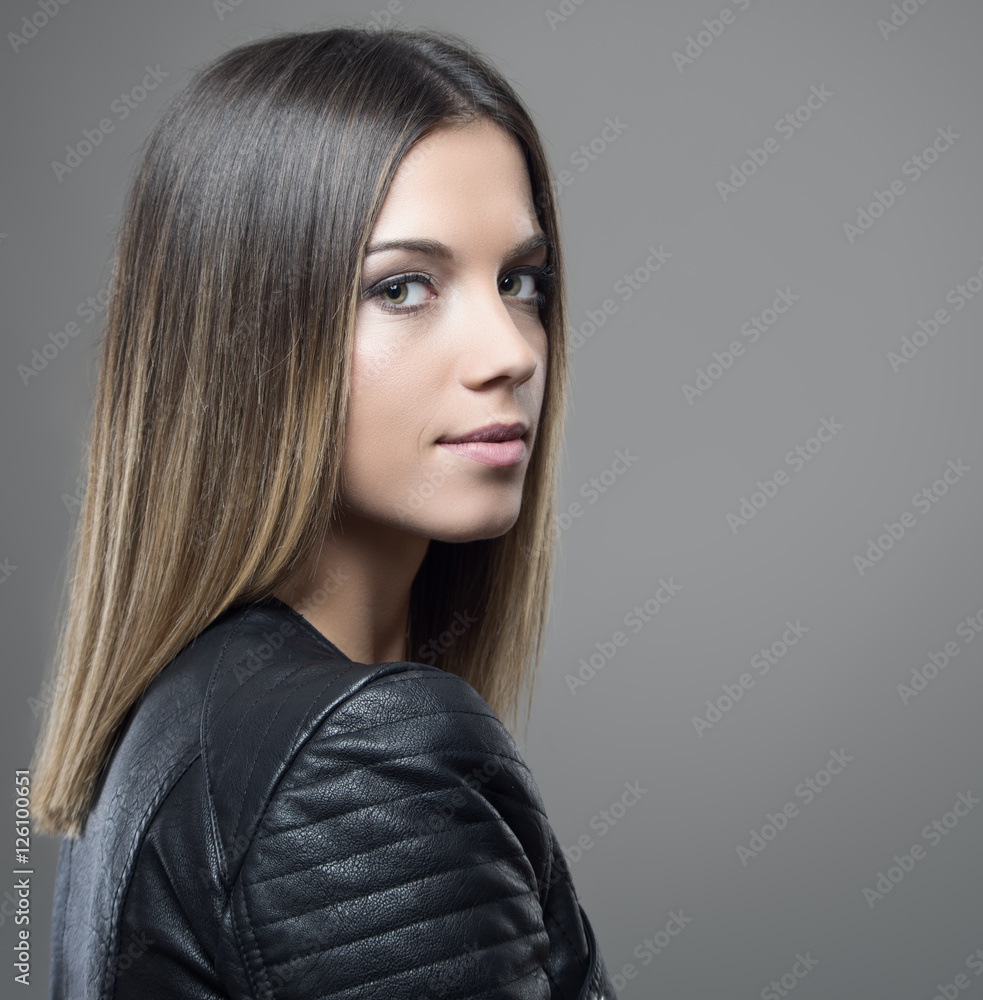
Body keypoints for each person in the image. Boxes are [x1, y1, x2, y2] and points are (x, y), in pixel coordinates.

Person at [30, 24, 619, 999]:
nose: (509, 350)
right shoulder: (353, 761)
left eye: (520, 281)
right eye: (402, 286)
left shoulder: (169, 736)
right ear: (245, 339)